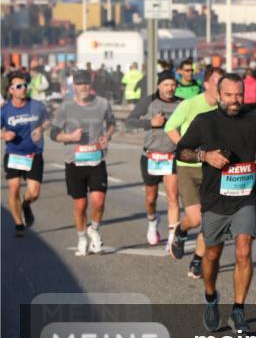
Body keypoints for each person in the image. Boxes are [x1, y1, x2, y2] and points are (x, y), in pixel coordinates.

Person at [177, 73, 256, 334]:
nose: (235, 100)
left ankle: (238, 310)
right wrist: (205, 155)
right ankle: (211, 297)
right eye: (229, 95)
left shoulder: (253, 117)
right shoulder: (204, 121)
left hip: (245, 197)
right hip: (215, 199)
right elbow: (182, 150)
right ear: (219, 95)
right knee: (212, 254)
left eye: (239, 95)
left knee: (244, 250)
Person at [165, 65, 225, 274]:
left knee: (210, 220)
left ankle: (197, 260)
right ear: (207, 84)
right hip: (188, 167)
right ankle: (181, 230)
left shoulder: (225, 108)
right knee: (196, 218)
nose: (221, 86)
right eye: (218, 81)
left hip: (213, 169)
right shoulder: (190, 104)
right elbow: (169, 127)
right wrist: (185, 146)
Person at [50, 70, 115, 256]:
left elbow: (111, 123)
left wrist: (106, 136)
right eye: (79, 84)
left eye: (86, 83)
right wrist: (70, 136)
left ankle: (93, 229)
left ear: (91, 85)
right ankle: (81, 237)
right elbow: (54, 133)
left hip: (96, 160)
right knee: (80, 205)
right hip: (74, 162)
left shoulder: (102, 104)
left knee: (99, 201)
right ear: (74, 87)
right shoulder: (65, 107)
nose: (84, 87)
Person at [126, 71, 182, 247]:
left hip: (172, 156)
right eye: (166, 84)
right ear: (159, 86)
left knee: (173, 197)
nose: (169, 88)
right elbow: (130, 121)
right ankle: (152, 222)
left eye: (172, 84)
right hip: (151, 156)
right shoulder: (148, 101)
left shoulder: (181, 103)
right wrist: (151, 123)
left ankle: (173, 237)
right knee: (151, 198)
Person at [2, 71, 50, 237]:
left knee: (34, 192)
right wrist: (4, 135)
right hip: (14, 153)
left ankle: (26, 205)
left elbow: (47, 120)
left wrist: (41, 128)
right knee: (14, 188)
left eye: (25, 86)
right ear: (11, 91)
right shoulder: (5, 110)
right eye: (19, 86)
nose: (23, 89)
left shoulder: (37, 105)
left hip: (33, 154)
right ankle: (18, 223)